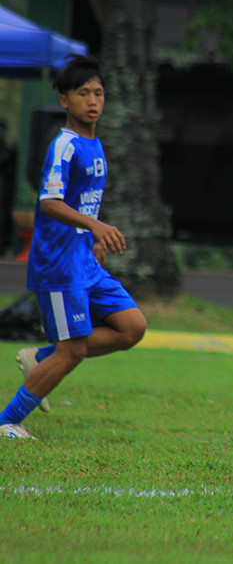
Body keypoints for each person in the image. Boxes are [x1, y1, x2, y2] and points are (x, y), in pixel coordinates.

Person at [2, 55, 147, 440]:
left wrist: (93, 238)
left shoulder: (95, 144)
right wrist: (95, 226)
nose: (93, 100)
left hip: (84, 260)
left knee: (132, 327)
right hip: (59, 265)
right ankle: (7, 420)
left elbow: (84, 202)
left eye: (98, 92)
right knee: (74, 350)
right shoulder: (64, 146)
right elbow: (49, 202)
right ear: (65, 101)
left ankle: (39, 358)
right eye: (83, 93)